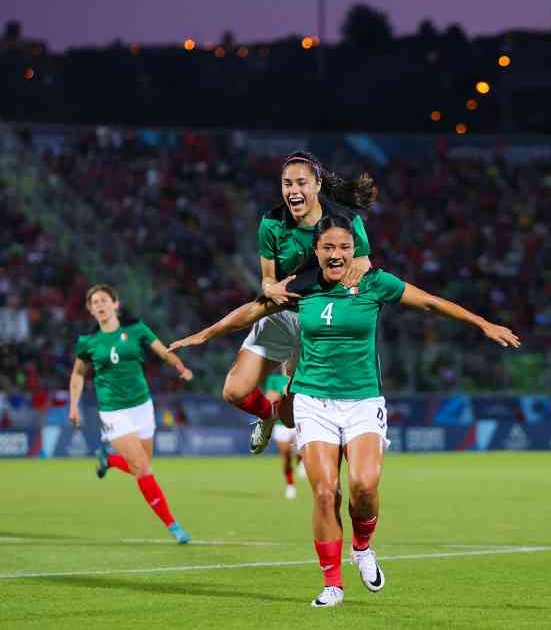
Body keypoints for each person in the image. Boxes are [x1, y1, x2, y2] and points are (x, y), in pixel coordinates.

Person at [170, 215, 520, 607]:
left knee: (365, 487)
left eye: (344, 247)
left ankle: (363, 546)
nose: (336, 255)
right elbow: (251, 311)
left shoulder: (374, 283)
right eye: (328, 248)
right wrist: (204, 334)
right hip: (312, 401)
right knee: (324, 492)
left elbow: (430, 302)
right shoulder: (300, 287)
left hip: (362, 401)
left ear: (356, 250)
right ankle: (332, 584)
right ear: (316, 251)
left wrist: (482, 323)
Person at [225, 150, 377, 454]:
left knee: (292, 418)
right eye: (287, 184)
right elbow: (267, 279)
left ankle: (280, 415)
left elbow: (364, 266)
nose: (293, 191)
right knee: (235, 390)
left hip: (319, 322)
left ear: (318, 185)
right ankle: (265, 415)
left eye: (301, 183)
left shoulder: (345, 220)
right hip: (281, 315)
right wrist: (271, 288)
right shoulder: (271, 223)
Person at [67, 284, 194, 544]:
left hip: (142, 406)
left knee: (142, 466)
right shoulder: (88, 341)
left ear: (115, 304)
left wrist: (179, 366)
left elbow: (161, 350)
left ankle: (108, 460)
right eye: (94, 303)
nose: (99, 305)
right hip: (113, 412)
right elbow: (78, 373)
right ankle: (173, 524)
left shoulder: (136, 329)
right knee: (143, 468)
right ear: (91, 311)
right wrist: (73, 404)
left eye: (104, 300)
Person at [263, 372, 303, 499]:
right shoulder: (273, 378)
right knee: (285, 454)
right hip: (281, 422)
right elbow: (269, 396)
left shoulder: (300, 374)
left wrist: (282, 396)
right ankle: (290, 485)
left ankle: (301, 460)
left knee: (300, 450)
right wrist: (287, 395)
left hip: (299, 419)